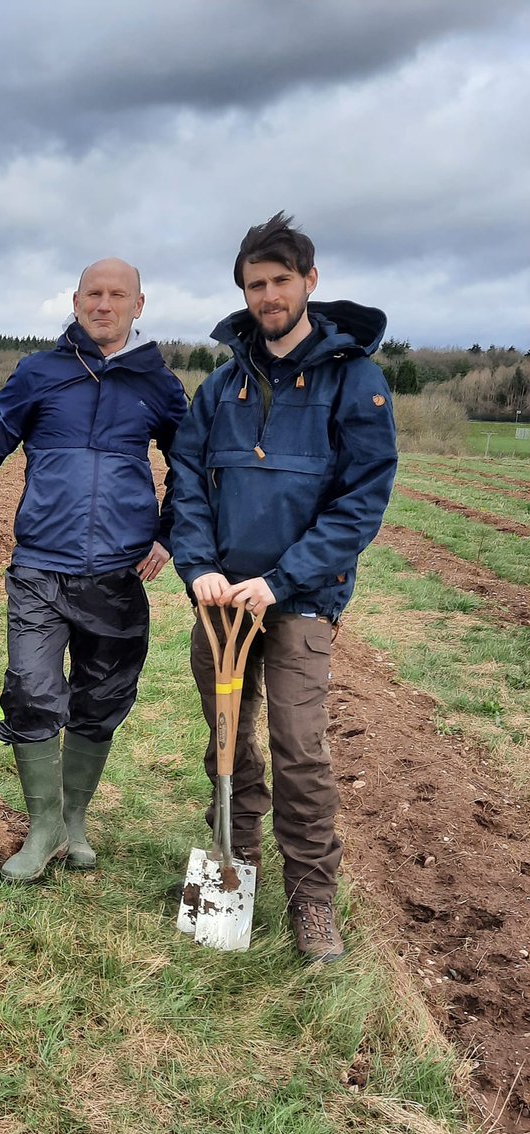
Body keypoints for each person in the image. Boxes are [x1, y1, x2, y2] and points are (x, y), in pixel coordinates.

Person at [0, 258, 188, 884]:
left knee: (101, 700)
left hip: (120, 576)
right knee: (32, 691)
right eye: (94, 293)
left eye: (118, 295)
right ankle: (42, 827)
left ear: (138, 306)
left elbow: (192, 468)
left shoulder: (158, 385)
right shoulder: (39, 373)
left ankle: (75, 821)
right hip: (41, 567)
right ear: (75, 300)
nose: (104, 304)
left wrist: (168, 536)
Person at [169, 212, 398, 963]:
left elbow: (361, 498)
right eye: (254, 284)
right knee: (228, 743)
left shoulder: (355, 381)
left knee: (298, 747)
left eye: (279, 281)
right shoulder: (224, 386)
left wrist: (282, 578)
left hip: (299, 598)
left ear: (309, 282)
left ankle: (313, 902)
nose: (267, 295)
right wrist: (197, 565)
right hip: (219, 600)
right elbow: (189, 482)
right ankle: (237, 870)